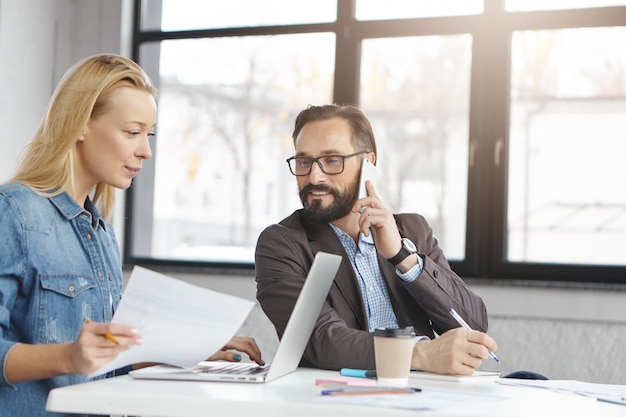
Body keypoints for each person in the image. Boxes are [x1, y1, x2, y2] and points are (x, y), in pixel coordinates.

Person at [0, 54, 263, 417]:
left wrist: (188, 351)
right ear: (80, 125)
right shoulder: (13, 213)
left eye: (149, 134)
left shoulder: (101, 234)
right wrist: (68, 356)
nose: (146, 150)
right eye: (132, 132)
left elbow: (109, 365)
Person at [255, 103, 496, 375]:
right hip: (340, 402)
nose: (314, 176)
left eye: (332, 160)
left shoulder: (412, 231)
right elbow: (320, 340)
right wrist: (418, 354)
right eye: (303, 162)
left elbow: (472, 327)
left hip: (428, 396)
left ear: (368, 163)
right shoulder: (282, 244)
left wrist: (403, 258)